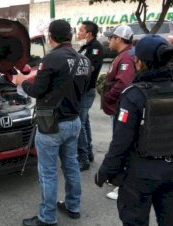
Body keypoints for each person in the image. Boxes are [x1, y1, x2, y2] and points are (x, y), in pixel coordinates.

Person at [13, 19, 91, 226]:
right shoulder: (84, 60)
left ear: (50, 37)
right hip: (74, 122)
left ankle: (47, 218)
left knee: (48, 172)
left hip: (51, 125)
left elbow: (37, 90)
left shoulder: (52, 58)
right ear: (71, 35)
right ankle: (73, 206)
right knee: (71, 166)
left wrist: (21, 81)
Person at [95, 34, 173, 226]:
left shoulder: (134, 95)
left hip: (140, 175)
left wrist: (106, 171)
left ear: (141, 62)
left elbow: (121, 142)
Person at [101, 25, 136, 200]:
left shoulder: (126, 58)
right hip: (123, 108)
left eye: (111, 37)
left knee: (122, 145)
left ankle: (122, 185)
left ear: (119, 39)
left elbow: (123, 84)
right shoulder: (126, 55)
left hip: (123, 109)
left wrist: (108, 95)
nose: (109, 40)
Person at [76, 21, 104, 171]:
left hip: (87, 91)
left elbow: (88, 69)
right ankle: (89, 152)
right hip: (82, 91)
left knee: (79, 124)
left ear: (89, 33)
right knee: (84, 122)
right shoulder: (86, 47)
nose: (78, 32)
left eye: (81, 30)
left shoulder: (95, 48)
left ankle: (83, 158)